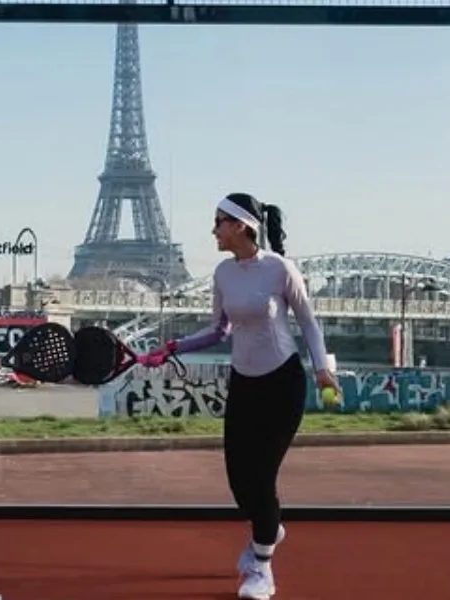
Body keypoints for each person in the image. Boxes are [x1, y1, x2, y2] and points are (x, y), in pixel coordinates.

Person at [142, 192, 338, 600]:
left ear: (240, 226)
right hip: (245, 382)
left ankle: (262, 569)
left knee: (262, 476)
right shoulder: (222, 274)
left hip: (283, 383)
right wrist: (174, 347)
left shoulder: (281, 269)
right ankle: (270, 528)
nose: (213, 230)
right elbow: (218, 331)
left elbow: (309, 324)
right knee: (239, 482)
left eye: (218, 222)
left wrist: (323, 371)